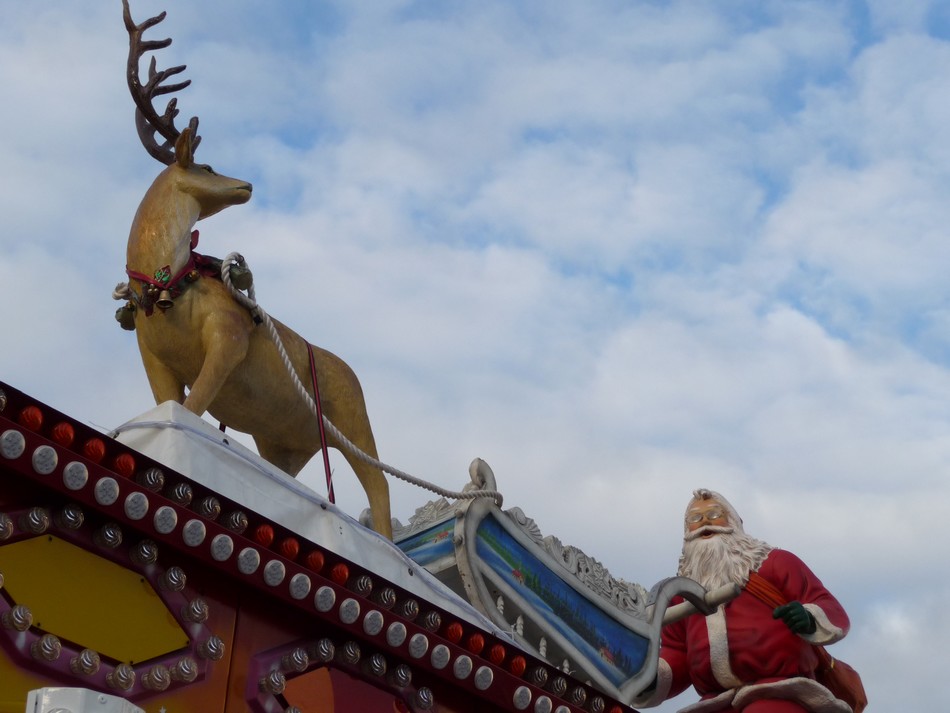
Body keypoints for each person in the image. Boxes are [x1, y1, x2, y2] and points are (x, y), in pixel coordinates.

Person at [634, 489, 852, 713]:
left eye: (714, 514)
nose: (705, 523)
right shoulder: (682, 594)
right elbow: (677, 651)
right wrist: (649, 677)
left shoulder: (776, 563)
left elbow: (824, 602)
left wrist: (808, 617)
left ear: (734, 522)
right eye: (695, 519)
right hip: (715, 702)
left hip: (778, 691)